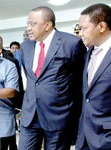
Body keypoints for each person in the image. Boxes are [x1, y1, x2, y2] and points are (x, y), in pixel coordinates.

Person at [18, 6, 86, 150]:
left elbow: (80, 80)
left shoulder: (71, 43)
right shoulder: (25, 46)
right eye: (27, 24)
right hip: (30, 114)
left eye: (33, 24)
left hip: (58, 115)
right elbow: (32, 79)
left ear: (48, 25)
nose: (28, 28)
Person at [76, 3, 111, 150]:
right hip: (84, 137)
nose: (80, 33)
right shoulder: (88, 53)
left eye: (84, 28)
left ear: (101, 27)